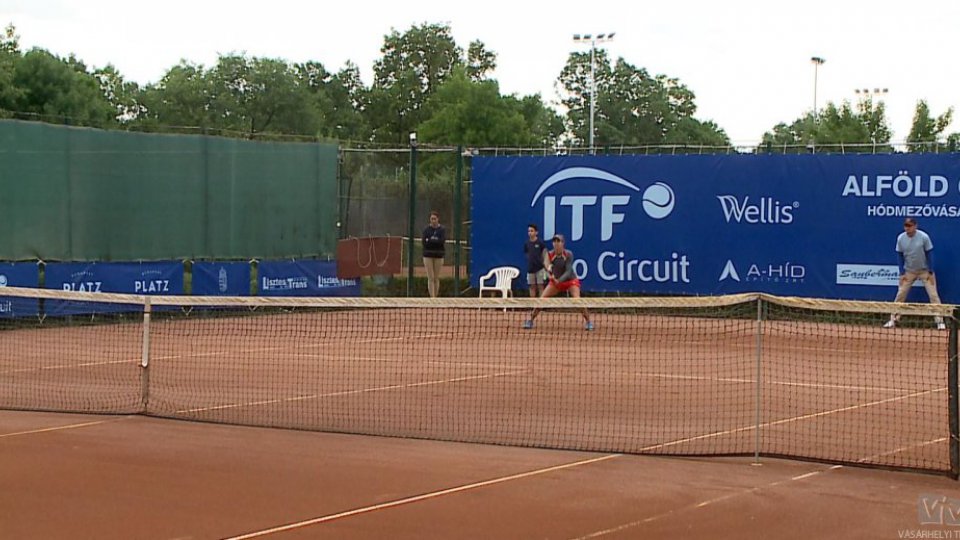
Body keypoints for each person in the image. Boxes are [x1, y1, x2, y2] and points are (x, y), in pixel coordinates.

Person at [883, 218, 946, 330]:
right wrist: (902, 273)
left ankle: (940, 321)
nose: (908, 228)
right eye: (906, 226)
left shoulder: (924, 237)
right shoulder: (901, 238)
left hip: (925, 271)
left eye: (910, 226)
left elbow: (929, 254)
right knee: (900, 294)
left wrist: (930, 271)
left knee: (933, 295)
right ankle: (893, 319)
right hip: (909, 272)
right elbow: (899, 255)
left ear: (915, 226)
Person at [523, 234, 593, 331]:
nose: (556, 243)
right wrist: (551, 277)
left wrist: (559, 280)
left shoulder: (568, 254)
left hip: (570, 281)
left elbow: (568, 271)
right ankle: (530, 320)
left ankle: (589, 322)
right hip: (555, 283)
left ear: (563, 243)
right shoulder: (549, 254)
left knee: (577, 300)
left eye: (558, 241)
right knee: (541, 300)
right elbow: (547, 269)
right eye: (554, 241)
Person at [422, 210, 445, 298]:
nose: (433, 220)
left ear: (438, 219)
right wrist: (434, 241)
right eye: (431, 219)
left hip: (439, 256)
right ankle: (432, 297)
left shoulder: (442, 230)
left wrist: (431, 240)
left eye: (434, 219)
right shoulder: (426, 230)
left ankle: (436, 296)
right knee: (430, 277)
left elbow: (441, 241)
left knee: (436, 277)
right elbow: (425, 242)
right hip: (428, 256)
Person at [523, 224, 548, 298]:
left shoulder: (540, 243)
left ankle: (540, 306)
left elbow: (545, 254)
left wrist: (543, 264)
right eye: (529, 231)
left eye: (532, 231)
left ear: (536, 232)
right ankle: (533, 306)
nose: (530, 233)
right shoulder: (527, 243)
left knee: (540, 286)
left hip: (540, 269)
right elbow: (527, 254)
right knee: (532, 287)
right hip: (531, 269)